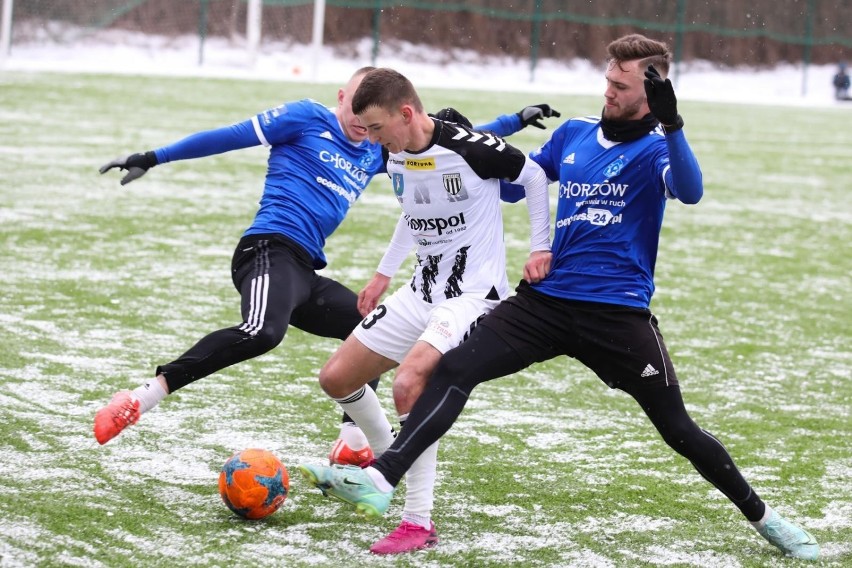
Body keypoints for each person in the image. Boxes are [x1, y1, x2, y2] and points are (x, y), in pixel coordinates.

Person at [298, 35, 820, 561]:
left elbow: (690, 191)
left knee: (679, 429)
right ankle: (386, 477)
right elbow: (508, 182)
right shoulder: (574, 134)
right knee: (452, 370)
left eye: (621, 85)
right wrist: (457, 142)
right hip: (544, 304)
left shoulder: (657, 147)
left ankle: (765, 517)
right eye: (608, 81)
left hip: (617, 313)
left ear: (653, 91)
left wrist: (674, 125)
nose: (609, 92)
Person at [93, 66, 560, 459]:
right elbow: (229, 137)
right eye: (357, 112)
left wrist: (514, 120)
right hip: (267, 250)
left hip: (305, 271)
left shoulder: (376, 150)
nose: (362, 125)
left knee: (369, 332)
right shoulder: (304, 118)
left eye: (372, 122)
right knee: (262, 332)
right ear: (342, 98)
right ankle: (142, 397)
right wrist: (153, 157)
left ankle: (354, 444)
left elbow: (444, 144)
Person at [297, 67, 552, 555]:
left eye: (375, 128)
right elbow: (411, 212)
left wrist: (541, 246)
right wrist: (381, 273)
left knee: (408, 382)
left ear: (407, 114)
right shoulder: (394, 156)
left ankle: (417, 521)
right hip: (420, 290)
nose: (371, 139)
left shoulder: (469, 149)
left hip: (473, 296)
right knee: (336, 379)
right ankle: (390, 460)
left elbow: (535, 176)